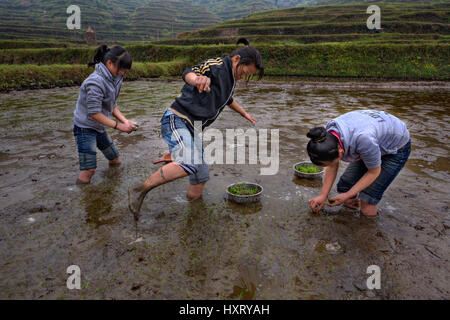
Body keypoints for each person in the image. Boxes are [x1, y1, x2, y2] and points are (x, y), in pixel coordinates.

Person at [128, 38, 264, 216]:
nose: (243, 76)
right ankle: (140, 189)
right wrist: (197, 80)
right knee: (189, 162)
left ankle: (195, 214)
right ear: (237, 59)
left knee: (200, 178)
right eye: (244, 72)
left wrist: (243, 113)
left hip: (193, 129)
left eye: (247, 75)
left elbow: (228, 99)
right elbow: (190, 72)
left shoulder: (231, 80)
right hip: (177, 119)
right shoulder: (218, 65)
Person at [307, 110, 411, 217]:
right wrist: (323, 195)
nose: (329, 165)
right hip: (373, 138)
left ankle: (367, 228)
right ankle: (351, 218)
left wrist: (347, 195)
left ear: (341, 152)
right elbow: (332, 164)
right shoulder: (326, 135)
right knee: (345, 185)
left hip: (396, 148)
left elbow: (373, 172)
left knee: (367, 199)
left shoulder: (364, 139)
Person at [73, 45, 137, 184]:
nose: (123, 73)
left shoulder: (115, 78)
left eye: (125, 71)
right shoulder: (95, 82)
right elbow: (94, 113)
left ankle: (111, 185)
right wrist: (119, 126)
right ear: (109, 63)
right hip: (85, 127)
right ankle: (84, 195)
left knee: (115, 159)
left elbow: (111, 104)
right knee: (88, 170)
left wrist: (125, 121)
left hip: (99, 127)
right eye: (121, 70)